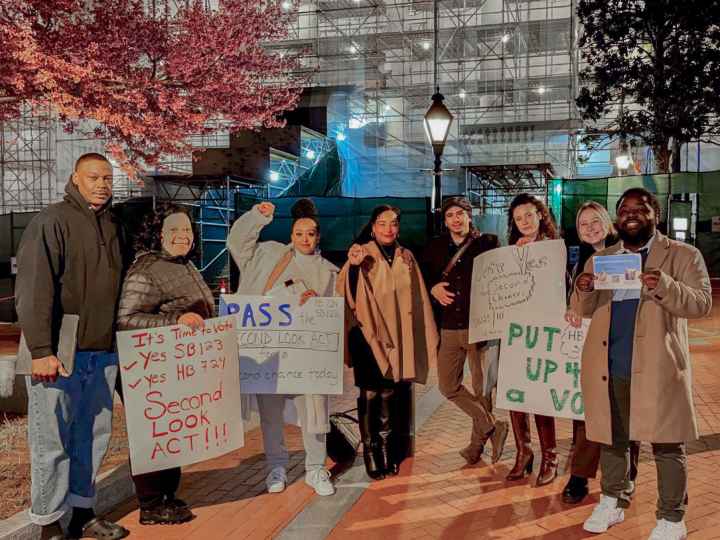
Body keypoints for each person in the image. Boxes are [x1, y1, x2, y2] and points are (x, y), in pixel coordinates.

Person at [573, 188, 711, 539]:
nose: (632, 214)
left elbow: (701, 304)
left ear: (656, 214)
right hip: (609, 364)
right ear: (617, 218)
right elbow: (583, 309)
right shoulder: (602, 258)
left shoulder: (682, 254)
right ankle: (613, 500)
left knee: (667, 443)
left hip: (658, 367)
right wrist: (584, 288)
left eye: (641, 208)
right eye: (624, 209)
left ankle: (672, 518)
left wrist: (664, 285)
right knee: (612, 438)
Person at [13, 153, 129, 540]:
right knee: (51, 442)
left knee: (92, 438)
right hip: (57, 354)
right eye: (93, 177)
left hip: (102, 352)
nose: (102, 184)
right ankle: (47, 525)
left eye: (107, 178)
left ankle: (82, 512)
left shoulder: (114, 225)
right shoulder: (51, 221)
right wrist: (42, 349)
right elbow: (32, 290)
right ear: (75, 179)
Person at [227, 198, 338, 496]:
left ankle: (316, 468)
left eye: (311, 233)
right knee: (270, 414)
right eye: (299, 233)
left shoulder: (329, 271)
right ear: (291, 235)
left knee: (315, 412)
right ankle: (275, 465)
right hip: (269, 353)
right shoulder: (268, 254)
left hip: (306, 355)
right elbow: (237, 242)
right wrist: (256, 217)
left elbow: (335, 316)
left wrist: (320, 304)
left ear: (318, 236)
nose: (305, 239)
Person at [116, 204, 213, 525]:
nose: (183, 236)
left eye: (187, 230)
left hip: (175, 366)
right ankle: (151, 503)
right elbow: (126, 319)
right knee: (152, 432)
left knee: (172, 429)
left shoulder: (182, 265)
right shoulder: (147, 270)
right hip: (151, 369)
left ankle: (168, 495)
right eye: (174, 231)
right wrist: (176, 320)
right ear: (159, 234)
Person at [338, 205, 438, 480]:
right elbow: (345, 290)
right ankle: (372, 453)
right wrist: (354, 266)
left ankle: (388, 449)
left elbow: (416, 297)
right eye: (382, 223)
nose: (388, 229)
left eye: (394, 223)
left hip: (397, 335)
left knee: (390, 393)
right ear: (372, 227)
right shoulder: (362, 253)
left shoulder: (406, 257)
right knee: (371, 393)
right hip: (367, 336)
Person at [563, 201, 640, 504]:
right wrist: (573, 306)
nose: (591, 228)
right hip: (589, 345)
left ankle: (626, 477)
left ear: (608, 223)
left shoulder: (626, 252)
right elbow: (577, 298)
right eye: (584, 224)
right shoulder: (577, 258)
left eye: (596, 221)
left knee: (624, 411)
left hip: (622, 343)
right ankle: (580, 475)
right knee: (587, 412)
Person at [421, 196, 508, 465]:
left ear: (470, 215)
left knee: (483, 390)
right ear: (445, 220)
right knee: (447, 385)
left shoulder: (488, 243)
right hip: (449, 327)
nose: (455, 219)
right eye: (450, 215)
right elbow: (423, 277)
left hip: (480, 327)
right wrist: (433, 287)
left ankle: (475, 446)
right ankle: (491, 424)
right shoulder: (435, 247)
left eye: (460, 213)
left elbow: (505, 274)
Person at [505, 193, 561, 486]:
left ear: (540, 214)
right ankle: (523, 452)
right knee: (516, 396)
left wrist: (533, 257)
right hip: (516, 333)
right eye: (518, 218)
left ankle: (550, 456)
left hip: (544, 334)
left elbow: (556, 287)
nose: (524, 222)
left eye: (529, 215)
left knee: (541, 399)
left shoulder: (554, 248)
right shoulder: (509, 252)